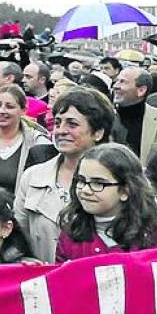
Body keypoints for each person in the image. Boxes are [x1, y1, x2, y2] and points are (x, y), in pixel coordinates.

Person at [14, 89, 115, 262]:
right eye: (58, 123)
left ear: (98, 132)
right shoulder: (32, 177)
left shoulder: (122, 178)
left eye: (72, 124)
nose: (61, 131)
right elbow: (17, 240)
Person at [55, 143, 157, 261]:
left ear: (126, 190)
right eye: (81, 180)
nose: (85, 190)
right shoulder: (70, 236)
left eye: (98, 183)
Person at [111, 67, 157, 163]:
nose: (115, 86)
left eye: (122, 82)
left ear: (141, 90)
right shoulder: (104, 117)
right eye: (117, 81)